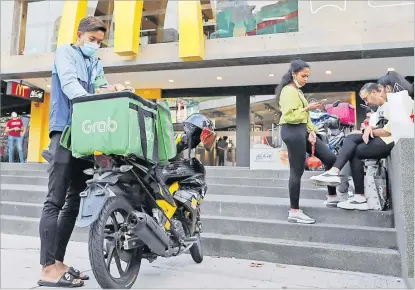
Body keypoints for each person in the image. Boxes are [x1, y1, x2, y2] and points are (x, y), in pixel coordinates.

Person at [38, 16, 126, 288]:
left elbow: (99, 88)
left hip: (85, 135)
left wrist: (111, 90)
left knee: (74, 198)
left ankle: (58, 261)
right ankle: (47, 269)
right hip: (65, 132)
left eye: (99, 42)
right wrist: (92, 98)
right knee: (55, 200)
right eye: (92, 40)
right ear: (80, 35)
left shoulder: (95, 62)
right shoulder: (66, 52)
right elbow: (70, 86)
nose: (95, 45)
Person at [310, 83, 395, 210]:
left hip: (389, 140)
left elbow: (390, 131)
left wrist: (369, 130)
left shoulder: (392, 105)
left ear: (374, 92)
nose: (366, 102)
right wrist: (368, 129)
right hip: (380, 140)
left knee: (351, 139)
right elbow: (373, 128)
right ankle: (359, 197)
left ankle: (334, 172)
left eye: (366, 98)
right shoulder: (378, 111)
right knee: (353, 150)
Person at [277, 60, 338, 224]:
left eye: (308, 76)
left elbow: (304, 117)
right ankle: (294, 211)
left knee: (330, 158)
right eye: (303, 76)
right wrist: (307, 108)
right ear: (293, 74)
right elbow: (289, 116)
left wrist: (311, 131)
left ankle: (332, 196)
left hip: (302, 130)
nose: (306, 79)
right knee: (296, 171)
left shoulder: (298, 92)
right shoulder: (288, 91)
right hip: (292, 130)